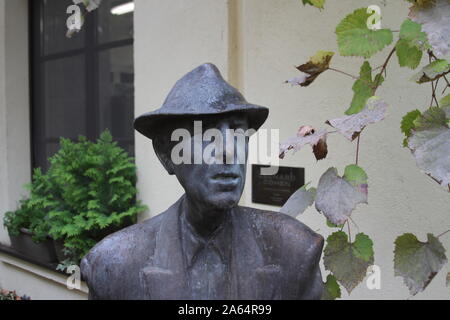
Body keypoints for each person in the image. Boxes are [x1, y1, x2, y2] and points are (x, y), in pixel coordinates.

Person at [81, 63, 324, 300]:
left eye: (239, 132)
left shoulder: (296, 251)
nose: (229, 150)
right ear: (166, 154)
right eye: (206, 133)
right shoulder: (113, 265)